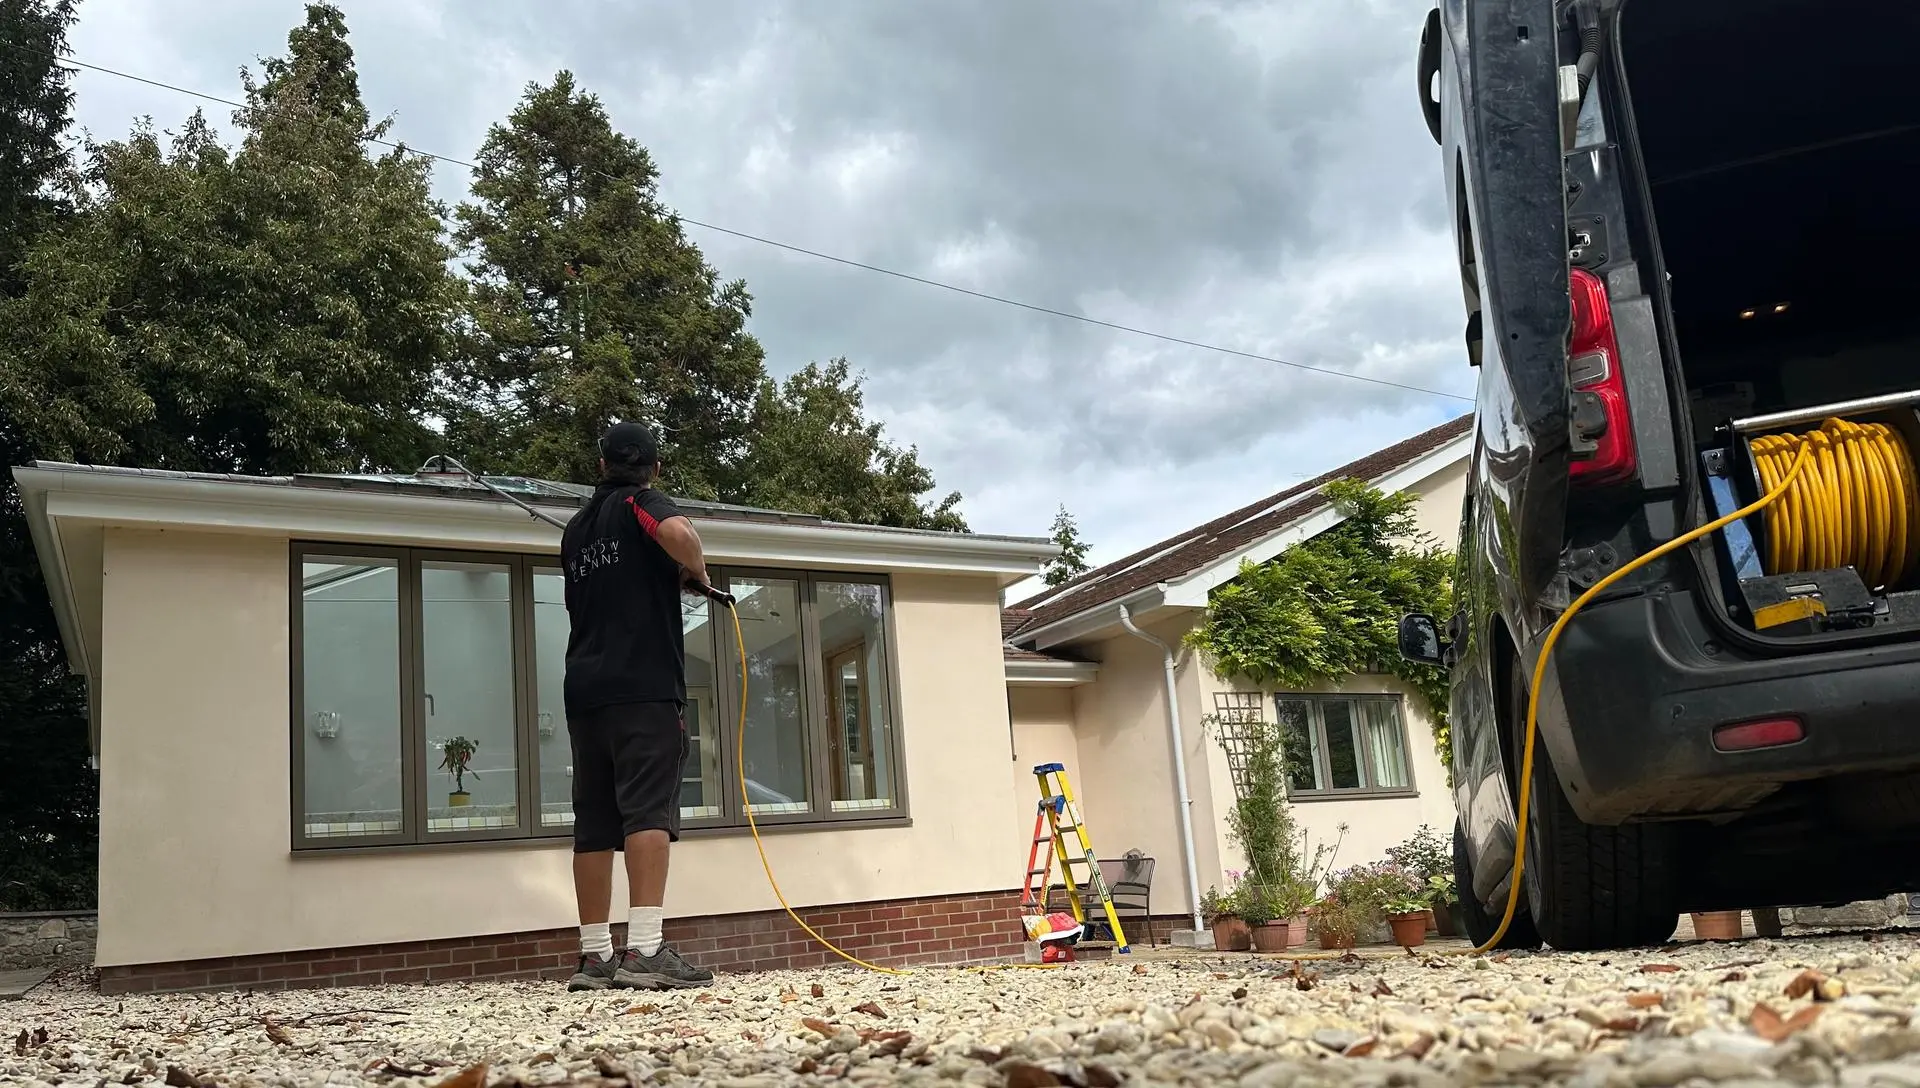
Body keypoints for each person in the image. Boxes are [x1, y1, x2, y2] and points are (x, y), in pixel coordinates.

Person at [560, 420, 715, 991]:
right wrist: (695, 572)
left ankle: (595, 956)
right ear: (655, 468)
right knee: (647, 813)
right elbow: (678, 532)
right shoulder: (640, 503)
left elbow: (615, 584)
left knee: (594, 824)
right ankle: (645, 947)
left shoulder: (575, 530)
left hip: (585, 693)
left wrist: (666, 577)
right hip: (644, 688)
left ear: (601, 465)